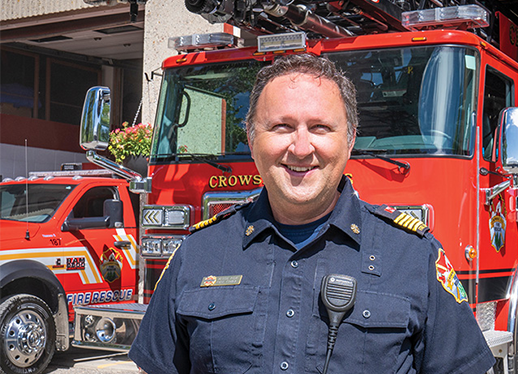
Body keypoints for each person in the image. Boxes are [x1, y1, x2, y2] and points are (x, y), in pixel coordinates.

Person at [129, 54, 496, 374]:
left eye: (320, 127)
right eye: (281, 127)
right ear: (252, 139)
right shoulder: (197, 253)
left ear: (349, 140)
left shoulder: (414, 256)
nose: (301, 148)